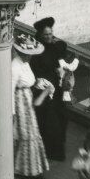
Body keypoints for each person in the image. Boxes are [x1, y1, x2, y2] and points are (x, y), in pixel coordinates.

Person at [32, 16, 78, 162]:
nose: (49, 37)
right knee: (50, 121)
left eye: (51, 34)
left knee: (61, 116)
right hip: (43, 89)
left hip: (56, 88)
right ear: (39, 35)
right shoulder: (36, 49)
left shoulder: (54, 46)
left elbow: (62, 49)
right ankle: (50, 151)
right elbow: (35, 71)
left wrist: (54, 41)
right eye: (46, 35)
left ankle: (53, 148)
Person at [12, 32, 51, 179]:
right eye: (28, 53)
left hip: (26, 98)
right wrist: (12, 111)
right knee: (26, 134)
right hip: (20, 102)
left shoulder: (25, 63)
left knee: (31, 133)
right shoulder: (15, 66)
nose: (31, 56)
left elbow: (28, 80)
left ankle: (32, 168)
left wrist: (39, 83)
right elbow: (10, 88)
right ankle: (27, 170)